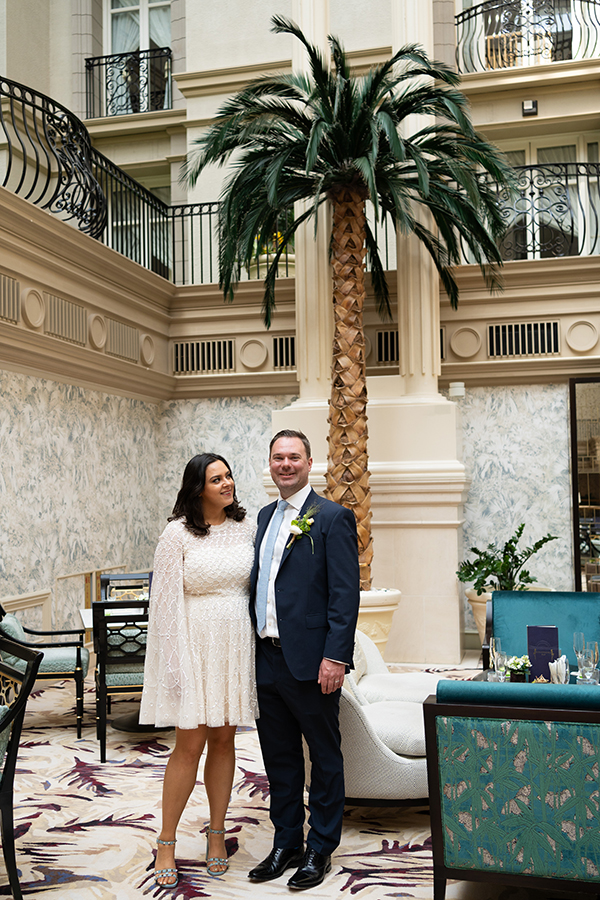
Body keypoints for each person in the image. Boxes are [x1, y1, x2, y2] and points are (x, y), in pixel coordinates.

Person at [248, 429, 360, 890]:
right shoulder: (263, 516)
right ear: (270, 465)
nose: (286, 465)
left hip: (314, 662)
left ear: (310, 463)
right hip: (266, 659)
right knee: (279, 758)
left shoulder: (332, 517)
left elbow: (344, 595)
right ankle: (287, 841)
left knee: (325, 756)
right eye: (278, 458)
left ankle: (320, 847)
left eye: (294, 457)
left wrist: (336, 657)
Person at [140, 452, 257, 888]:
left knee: (225, 740)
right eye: (216, 479)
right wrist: (175, 664)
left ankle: (216, 833)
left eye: (228, 476)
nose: (227, 484)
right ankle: (166, 841)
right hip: (193, 646)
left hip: (235, 646)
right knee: (188, 745)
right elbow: (164, 605)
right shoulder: (177, 534)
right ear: (197, 488)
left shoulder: (249, 527)